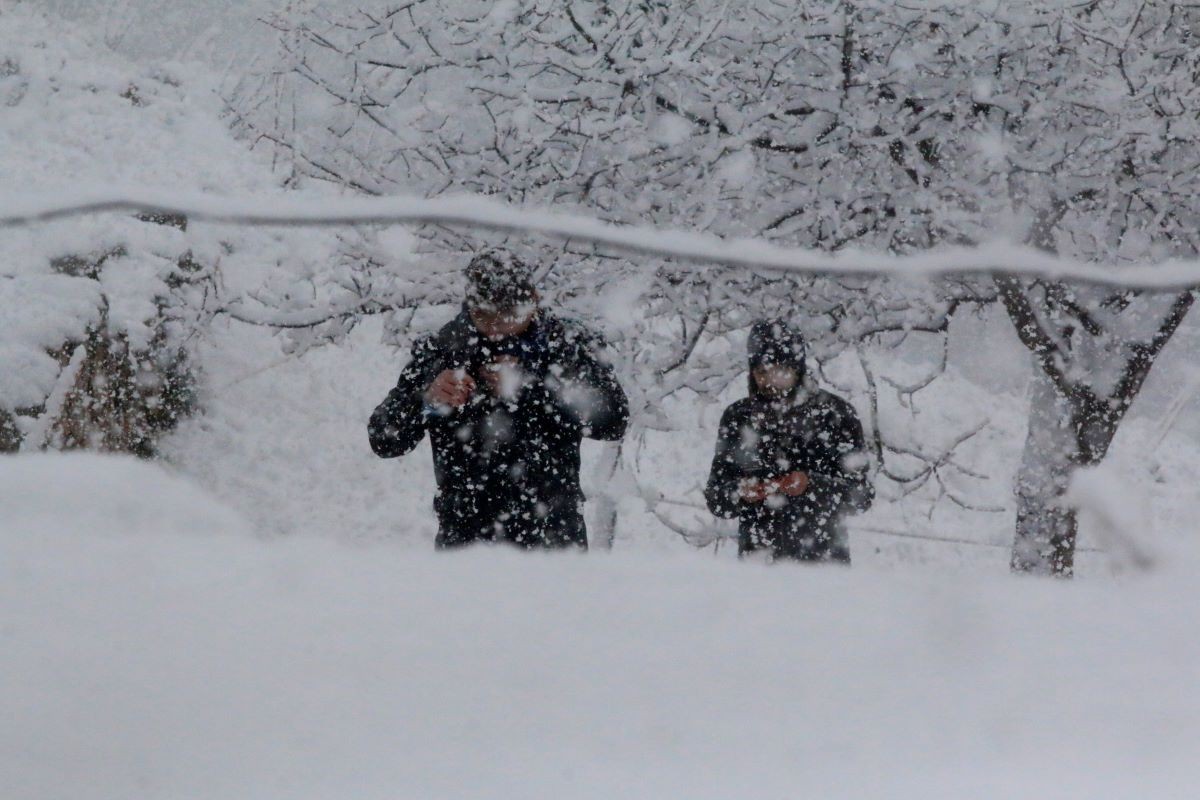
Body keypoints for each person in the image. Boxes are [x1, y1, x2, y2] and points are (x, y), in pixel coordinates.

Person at [369, 250, 628, 550]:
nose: (495, 333)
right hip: (466, 542)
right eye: (484, 319)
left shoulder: (568, 346)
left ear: (532, 302)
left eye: (507, 320)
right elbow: (384, 439)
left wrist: (535, 386)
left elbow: (613, 420)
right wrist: (425, 400)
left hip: (554, 541)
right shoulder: (441, 351)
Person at [705, 319, 873, 563]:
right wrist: (741, 492)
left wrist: (812, 485)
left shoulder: (836, 415)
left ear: (796, 369)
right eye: (761, 372)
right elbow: (717, 498)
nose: (769, 380)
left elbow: (861, 496)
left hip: (822, 564)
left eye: (779, 370)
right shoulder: (739, 417)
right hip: (758, 566)